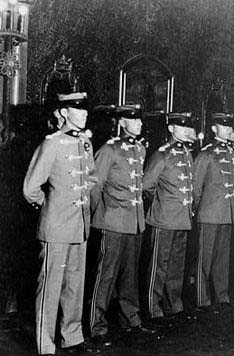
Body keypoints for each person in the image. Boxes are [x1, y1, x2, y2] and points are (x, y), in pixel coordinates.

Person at [23, 92, 99, 356]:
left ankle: (73, 337)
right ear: (64, 112)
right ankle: (46, 345)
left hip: (79, 225)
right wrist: (50, 204)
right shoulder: (51, 144)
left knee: (75, 285)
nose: (84, 113)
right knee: (50, 287)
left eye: (85, 109)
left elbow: (90, 178)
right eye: (78, 109)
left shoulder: (86, 143)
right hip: (56, 227)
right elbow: (30, 187)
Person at [89, 105, 156, 347]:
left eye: (140, 120)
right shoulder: (109, 149)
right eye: (133, 120)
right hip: (113, 222)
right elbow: (94, 187)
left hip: (135, 223)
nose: (138, 123)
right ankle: (96, 325)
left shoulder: (140, 148)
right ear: (122, 122)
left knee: (130, 275)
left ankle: (131, 319)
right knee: (106, 275)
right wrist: (102, 216)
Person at [142, 112, 196, 321]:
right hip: (164, 219)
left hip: (182, 219)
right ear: (171, 129)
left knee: (176, 266)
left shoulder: (186, 153)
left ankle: (174, 305)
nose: (185, 130)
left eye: (187, 127)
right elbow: (147, 186)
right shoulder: (161, 154)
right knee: (158, 266)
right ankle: (152, 309)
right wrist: (162, 204)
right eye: (180, 127)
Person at [193, 113, 234, 311]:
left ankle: (222, 296)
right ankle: (202, 300)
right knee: (205, 259)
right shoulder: (207, 153)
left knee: (222, 259)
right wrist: (197, 210)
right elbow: (195, 187)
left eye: (230, 127)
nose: (228, 130)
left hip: (226, 213)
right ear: (214, 129)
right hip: (209, 214)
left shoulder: (231, 152)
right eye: (224, 126)